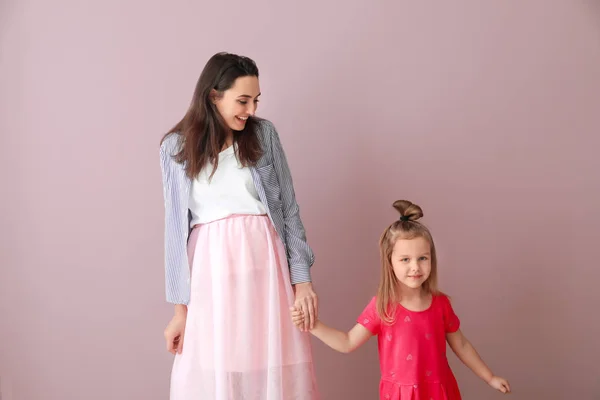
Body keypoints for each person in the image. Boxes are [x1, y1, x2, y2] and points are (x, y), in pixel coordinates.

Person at [159, 52, 319, 399]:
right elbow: (175, 231)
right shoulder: (175, 147)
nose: (251, 110)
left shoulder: (264, 136)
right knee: (218, 370)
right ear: (214, 95)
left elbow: (288, 209)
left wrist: (302, 281)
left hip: (267, 268)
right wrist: (179, 310)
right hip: (211, 272)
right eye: (242, 100)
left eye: (255, 100)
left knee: (268, 366)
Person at [291, 200, 510, 399]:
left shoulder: (441, 304)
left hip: (439, 392)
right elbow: (347, 342)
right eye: (405, 259)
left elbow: (461, 345)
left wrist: (489, 377)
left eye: (422, 258)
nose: (415, 267)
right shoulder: (382, 306)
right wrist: (313, 324)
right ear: (390, 262)